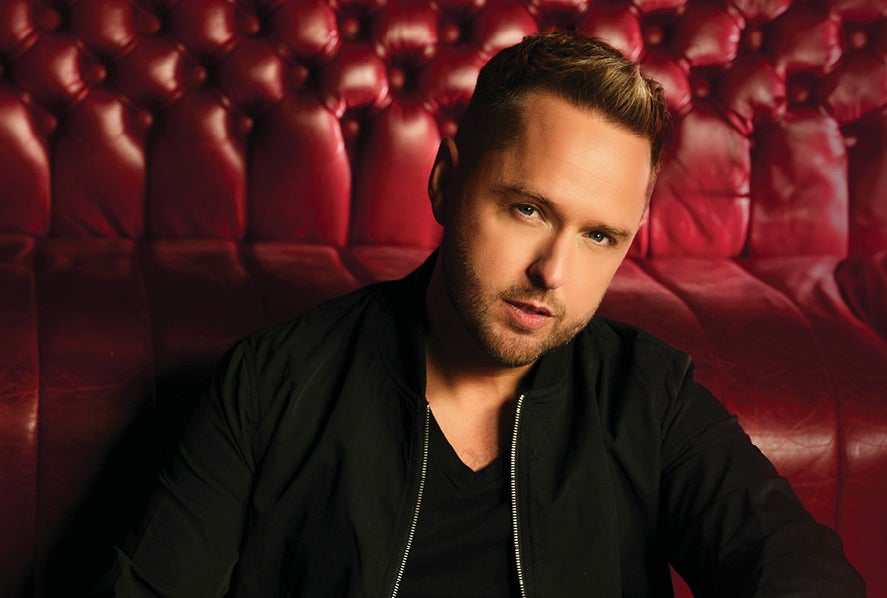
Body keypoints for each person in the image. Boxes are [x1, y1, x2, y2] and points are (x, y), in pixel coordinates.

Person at [105, 32, 865, 596]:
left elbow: (795, 570)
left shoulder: (649, 398)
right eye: (527, 209)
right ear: (446, 184)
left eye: (599, 235)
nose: (553, 272)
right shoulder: (272, 383)